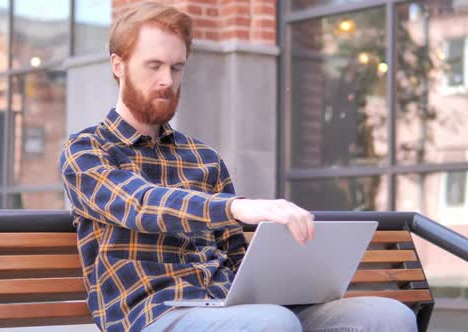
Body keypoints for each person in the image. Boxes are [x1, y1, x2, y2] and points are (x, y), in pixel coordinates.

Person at [59, 2, 417, 331]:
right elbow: (139, 203)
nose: (167, 80)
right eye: (153, 66)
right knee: (272, 324)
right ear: (118, 65)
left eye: (177, 67)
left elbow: (235, 256)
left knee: (388, 316)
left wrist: (290, 273)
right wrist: (237, 207)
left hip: (228, 306)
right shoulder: (87, 149)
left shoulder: (204, 158)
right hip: (154, 313)